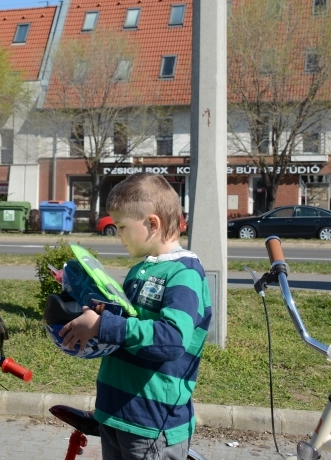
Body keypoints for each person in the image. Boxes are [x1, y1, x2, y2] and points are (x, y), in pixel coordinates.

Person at [60, 172, 212, 460]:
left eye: (121, 227)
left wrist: (103, 324)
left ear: (152, 223)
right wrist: (86, 299)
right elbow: (127, 319)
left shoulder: (184, 274)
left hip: (152, 424)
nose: (118, 235)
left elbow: (172, 340)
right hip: (116, 412)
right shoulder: (142, 269)